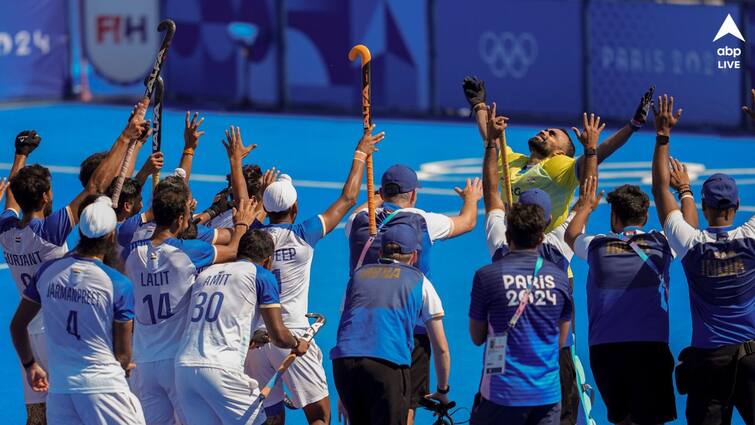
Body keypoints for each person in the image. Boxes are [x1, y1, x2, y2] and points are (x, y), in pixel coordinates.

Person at [0, 101, 151, 425]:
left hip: (28, 332)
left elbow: (12, 197)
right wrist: (126, 137)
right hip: (58, 331)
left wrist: (20, 156)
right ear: (44, 198)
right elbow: (95, 187)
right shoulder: (49, 233)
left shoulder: (7, 231)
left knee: (37, 415)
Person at [244, 125, 384, 424]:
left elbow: (247, 217)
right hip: (292, 336)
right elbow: (347, 199)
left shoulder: (250, 239)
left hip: (254, 342)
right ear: (295, 206)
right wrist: (361, 153)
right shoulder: (303, 234)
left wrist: (260, 199)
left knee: (269, 419)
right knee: (319, 417)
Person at [482, 110, 605, 424]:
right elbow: (582, 206)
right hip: (549, 344)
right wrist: (591, 149)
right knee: (563, 375)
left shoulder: (497, 245)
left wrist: (489, 142)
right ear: (547, 220)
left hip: (501, 350)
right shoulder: (559, 242)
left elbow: (491, 195)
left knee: (493, 398)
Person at [122, 152, 258, 425]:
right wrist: (242, 222)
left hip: (143, 362)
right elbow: (234, 249)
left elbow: (126, 225)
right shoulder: (188, 251)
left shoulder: (130, 250)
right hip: (176, 360)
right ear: (180, 220)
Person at [344, 163, 480, 424]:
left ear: (381, 192)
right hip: (410, 332)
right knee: (404, 408)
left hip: (361, 330)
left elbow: (365, 208)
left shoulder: (357, 221)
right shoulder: (422, 220)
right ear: (413, 194)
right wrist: (471, 199)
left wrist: (375, 198)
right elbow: (468, 221)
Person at [653, 93, 755, 425]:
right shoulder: (752, 237)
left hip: (710, 362)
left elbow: (659, 190)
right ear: (737, 207)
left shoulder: (691, 243)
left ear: (705, 208)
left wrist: (662, 136)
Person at [10, 196, 145, 425]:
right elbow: (123, 354)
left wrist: (30, 365)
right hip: (104, 388)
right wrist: (123, 367)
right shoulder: (117, 283)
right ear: (111, 236)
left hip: (61, 391)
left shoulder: (47, 272)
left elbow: (17, 325)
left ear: (80, 232)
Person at [463, 76, 654, 231]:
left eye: (552, 134)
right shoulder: (512, 160)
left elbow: (600, 154)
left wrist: (632, 126)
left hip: (551, 258)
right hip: (511, 252)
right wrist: (479, 105)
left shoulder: (559, 168)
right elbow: (491, 139)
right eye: (546, 130)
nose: (545, 132)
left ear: (559, 153)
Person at [564, 175, 678, 425]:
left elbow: (571, 234)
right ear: (645, 216)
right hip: (650, 347)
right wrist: (684, 190)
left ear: (614, 216)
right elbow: (688, 223)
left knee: (623, 420)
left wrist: (585, 207)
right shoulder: (661, 243)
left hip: (606, 350)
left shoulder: (596, 246)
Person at [174, 229, 309, 425]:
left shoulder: (206, 274)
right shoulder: (261, 275)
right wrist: (297, 343)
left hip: (184, 370)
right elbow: (279, 335)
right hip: (221, 371)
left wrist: (250, 340)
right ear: (268, 261)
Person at [332, 224, 450, 425]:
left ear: (380, 251)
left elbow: (345, 326)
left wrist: (344, 395)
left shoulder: (358, 276)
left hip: (345, 365)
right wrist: (442, 390)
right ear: (414, 255)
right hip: (387, 364)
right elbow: (441, 348)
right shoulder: (420, 281)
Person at [469, 202, 572, 425]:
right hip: (546, 394)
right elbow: (561, 340)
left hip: (501, 392)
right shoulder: (560, 279)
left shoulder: (487, 276)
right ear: (541, 238)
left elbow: (477, 337)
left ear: (507, 235)